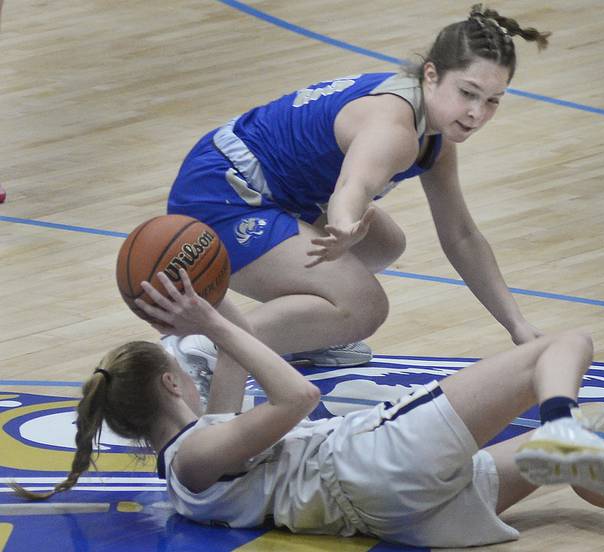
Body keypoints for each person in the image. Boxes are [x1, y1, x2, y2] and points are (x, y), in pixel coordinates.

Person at [14, 270, 604, 552]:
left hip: (395, 511)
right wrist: (213, 324)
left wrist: (213, 309)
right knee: (564, 344)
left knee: (553, 477)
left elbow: (238, 370)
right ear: (169, 388)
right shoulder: (193, 458)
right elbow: (298, 396)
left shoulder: (198, 455)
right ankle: (558, 419)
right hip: (372, 465)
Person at [163, 4, 550, 372]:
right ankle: (203, 344)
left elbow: (461, 236)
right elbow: (352, 186)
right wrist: (343, 223)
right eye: (468, 93)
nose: (476, 113)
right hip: (223, 192)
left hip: (265, 186)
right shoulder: (394, 128)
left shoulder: (435, 132)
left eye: (492, 101)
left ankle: (307, 332)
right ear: (431, 75)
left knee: (384, 243)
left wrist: (516, 324)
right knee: (364, 307)